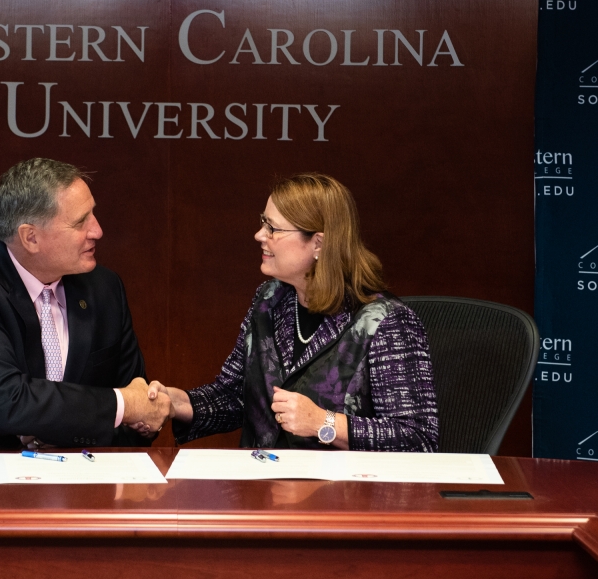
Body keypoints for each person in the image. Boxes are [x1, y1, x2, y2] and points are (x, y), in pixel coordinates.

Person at [143, 173, 438, 451]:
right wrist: (176, 403)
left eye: (273, 228)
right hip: (261, 490)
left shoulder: (385, 322)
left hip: (343, 497)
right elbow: (237, 397)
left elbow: (418, 438)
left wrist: (324, 422)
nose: (260, 234)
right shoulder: (269, 300)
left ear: (318, 244)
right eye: (263, 223)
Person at [0, 158, 169, 450]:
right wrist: (122, 404)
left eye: (93, 215)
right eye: (80, 222)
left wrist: (140, 411)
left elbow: (140, 414)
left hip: (83, 475)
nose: (97, 231)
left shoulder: (104, 287)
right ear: (31, 238)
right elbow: (5, 403)